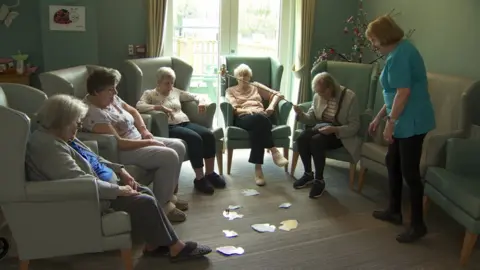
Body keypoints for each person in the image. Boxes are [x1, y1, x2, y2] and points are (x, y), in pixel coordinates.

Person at [26, 94, 212, 262]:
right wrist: (119, 190)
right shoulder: (48, 147)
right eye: (76, 122)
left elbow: (95, 158)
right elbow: (81, 183)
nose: (79, 126)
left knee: (143, 190)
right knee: (144, 201)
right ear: (62, 121)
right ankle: (176, 248)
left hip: (104, 186)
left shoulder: (63, 136)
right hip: (92, 198)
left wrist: (120, 170)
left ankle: (154, 245)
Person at [81, 67, 188, 223]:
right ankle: (162, 208)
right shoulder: (92, 112)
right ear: (97, 92)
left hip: (138, 140)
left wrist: (144, 131)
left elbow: (133, 111)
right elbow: (120, 143)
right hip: (123, 151)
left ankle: (169, 195)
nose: (115, 93)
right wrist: (150, 142)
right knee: (169, 155)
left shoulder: (110, 98)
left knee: (179, 145)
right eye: (111, 90)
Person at [366, 15, 435, 243]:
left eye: (374, 39)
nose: (373, 44)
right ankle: (394, 211)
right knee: (392, 162)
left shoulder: (402, 55)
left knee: (410, 172)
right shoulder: (398, 52)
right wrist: (379, 117)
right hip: (402, 117)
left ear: (384, 36)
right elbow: (392, 94)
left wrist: (390, 123)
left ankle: (418, 225)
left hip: (411, 121)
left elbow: (403, 93)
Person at [136, 67, 225, 195]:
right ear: (158, 83)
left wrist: (200, 102)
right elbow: (139, 106)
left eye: (172, 83)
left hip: (185, 122)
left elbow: (196, 95)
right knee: (195, 139)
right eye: (167, 83)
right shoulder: (150, 94)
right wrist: (158, 107)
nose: (170, 86)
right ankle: (200, 178)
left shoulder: (176, 92)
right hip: (169, 127)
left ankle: (210, 173)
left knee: (208, 135)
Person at [293, 72, 361, 198]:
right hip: (322, 127)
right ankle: (308, 174)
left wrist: (335, 129)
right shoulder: (318, 96)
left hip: (340, 133)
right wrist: (301, 115)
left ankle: (319, 180)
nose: (320, 96)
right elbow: (311, 117)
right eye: (318, 93)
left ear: (330, 89)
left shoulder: (350, 97)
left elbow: (354, 126)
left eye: (322, 93)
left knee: (316, 141)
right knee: (302, 138)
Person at [225, 63, 289, 186]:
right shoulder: (230, 90)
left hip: (261, 117)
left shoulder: (256, 86)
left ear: (250, 77)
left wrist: (271, 106)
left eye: (246, 75)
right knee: (261, 121)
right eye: (240, 75)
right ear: (236, 76)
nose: (243, 78)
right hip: (244, 117)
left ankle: (258, 170)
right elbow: (235, 109)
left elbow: (277, 94)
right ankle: (274, 150)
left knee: (258, 126)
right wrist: (246, 110)